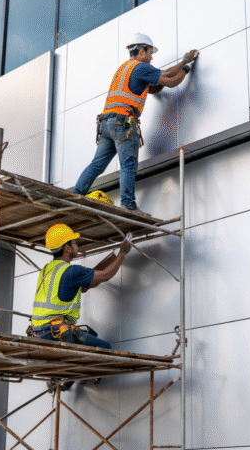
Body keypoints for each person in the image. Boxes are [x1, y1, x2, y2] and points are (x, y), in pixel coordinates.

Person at [73, 33, 199, 216]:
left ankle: (76, 195)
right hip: (123, 123)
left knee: (97, 165)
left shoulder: (125, 68)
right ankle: (128, 205)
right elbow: (170, 80)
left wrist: (181, 62)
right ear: (142, 51)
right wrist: (186, 68)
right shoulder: (141, 67)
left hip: (107, 123)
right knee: (128, 164)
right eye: (150, 52)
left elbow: (158, 82)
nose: (152, 56)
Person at [30, 223, 131, 349]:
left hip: (39, 332)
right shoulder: (72, 271)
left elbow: (84, 286)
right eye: (74, 243)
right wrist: (123, 252)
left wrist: (108, 262)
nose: (77, 246)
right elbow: (106, 275)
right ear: (67, 249)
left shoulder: (46, 269)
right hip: (55, 332)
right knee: (105, 349)